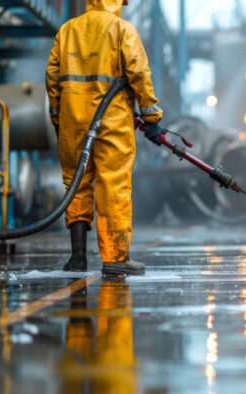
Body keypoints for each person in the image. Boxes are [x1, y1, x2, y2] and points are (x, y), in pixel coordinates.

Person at [46, 0, 163, 277]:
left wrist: (58, 119)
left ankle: (77, 259)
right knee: (113, 186)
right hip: (112, 122)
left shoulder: (67, 30)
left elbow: (52, 78)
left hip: (73, 120)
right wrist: (152, 118)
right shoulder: (122, 29)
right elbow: (139, 74)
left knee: (76, 186)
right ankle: (115, 257)